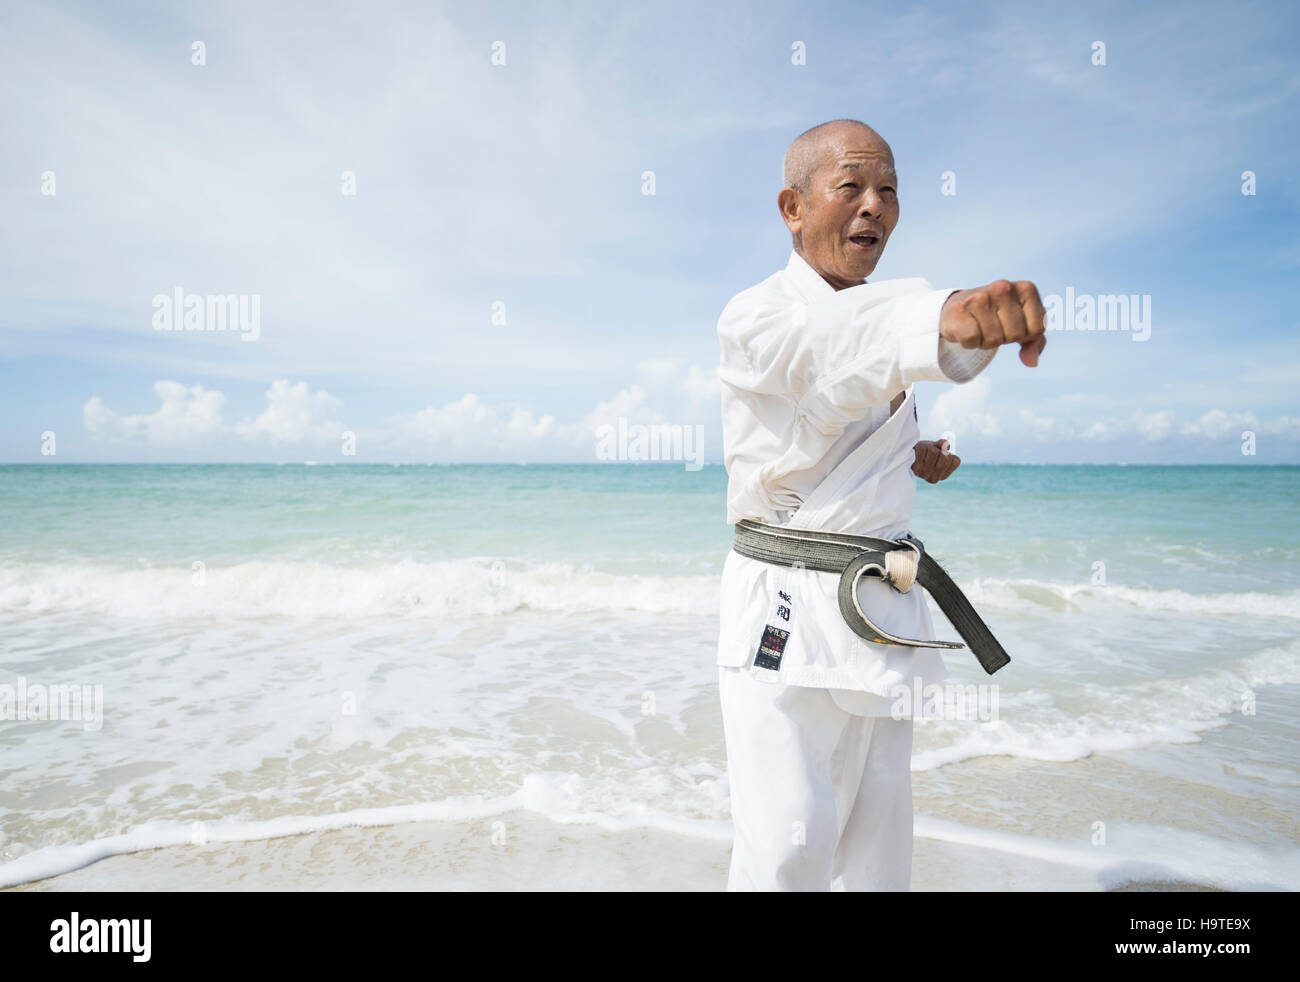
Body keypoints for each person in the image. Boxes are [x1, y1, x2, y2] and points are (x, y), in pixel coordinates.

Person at [715, 119, 1046, 891]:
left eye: (888, 190)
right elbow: (825, 361)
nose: (874, 207)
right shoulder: (755, 317)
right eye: (852, 187)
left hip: (881, 607)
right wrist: (946, 316)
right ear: (792, 208)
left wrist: (912, 455)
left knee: (877, 843)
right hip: (787, 608)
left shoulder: (877, 327)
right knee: (787, 845)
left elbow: (842, 426)